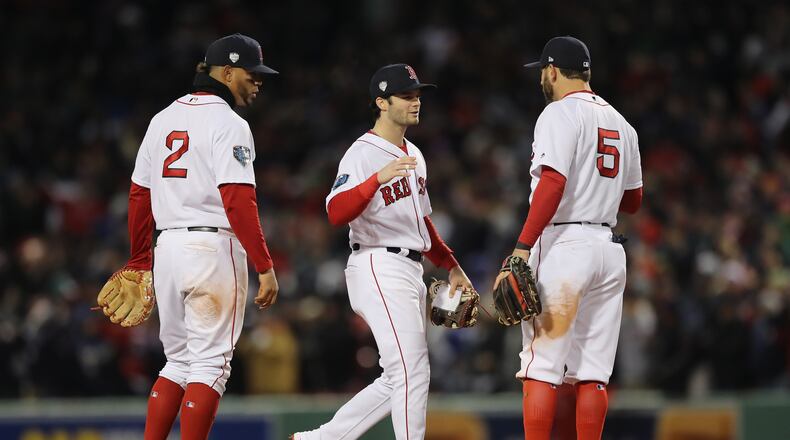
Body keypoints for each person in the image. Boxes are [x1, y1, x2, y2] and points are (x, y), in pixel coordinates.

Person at [291, 64, 475, 440]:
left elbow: (422, 224)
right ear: (381, 102)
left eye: (417, 95)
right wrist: (376, 179)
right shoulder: (362, 153)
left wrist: (452, 264)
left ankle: (322, 439)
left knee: (398, 376)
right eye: (406, 96)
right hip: (377, 262)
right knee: (413, 369)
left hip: (411, 268)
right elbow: (334, 212)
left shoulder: (416, 155)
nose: (415, 101)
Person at [123, 33, 280, 440]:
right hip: (211, 249)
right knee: (210, 366)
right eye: (251, 73)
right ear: (226, 72)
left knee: (177, 361)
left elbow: (140, 195)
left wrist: (140, 259)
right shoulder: (230, 123)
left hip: (168, 249)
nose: (258, 81)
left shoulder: (162, 119)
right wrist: (264, 266)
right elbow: (237, 199)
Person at [493, 36, 643, 440]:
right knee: (593, 373)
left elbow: (554, 182)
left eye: (543, 70)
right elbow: (633, 200)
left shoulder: (558, 113)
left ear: (553, 71)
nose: (542, 77)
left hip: (565, 247)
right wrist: (598, 189)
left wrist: (522, 247)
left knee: (542, 366)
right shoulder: (622, 123)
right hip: (608, 250)